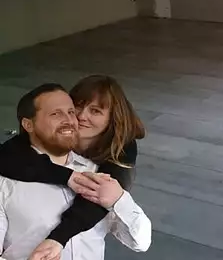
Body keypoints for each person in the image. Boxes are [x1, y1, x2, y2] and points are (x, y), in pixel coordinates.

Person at [0, 80, 150, 260]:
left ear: (111, 121)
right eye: (56, 113)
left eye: (70, 112)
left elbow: (141, 242)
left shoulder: (103, 172)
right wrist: (69, 177)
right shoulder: (6, 179)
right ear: (28, 124)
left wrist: (119, 200)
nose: (77, 118)